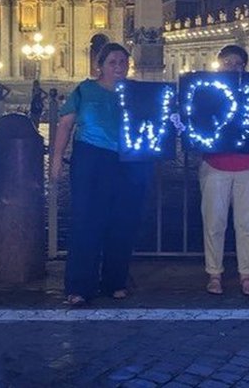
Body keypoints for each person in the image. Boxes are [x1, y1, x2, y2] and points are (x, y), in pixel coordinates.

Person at [49, 43, 163, 306]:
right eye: (112, 62)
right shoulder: (84, 90)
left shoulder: (136, 92)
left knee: (123, 221)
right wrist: (56, 159)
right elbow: (65, 125)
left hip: (128, 161)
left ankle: (115, 281)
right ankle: (79, 285)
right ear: (100, 65)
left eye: (123, 62)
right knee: (86, 221)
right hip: (92, 158)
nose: (118, 67)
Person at [198, 45, 249, 296]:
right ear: (218, 64)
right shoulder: (208, 93)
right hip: (215, 164)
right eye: (227, 62)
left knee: (247, 224)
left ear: (245, 67)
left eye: (237, 63)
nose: (233, 67)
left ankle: (246, 274)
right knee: (214, 223)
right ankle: (214, 273)